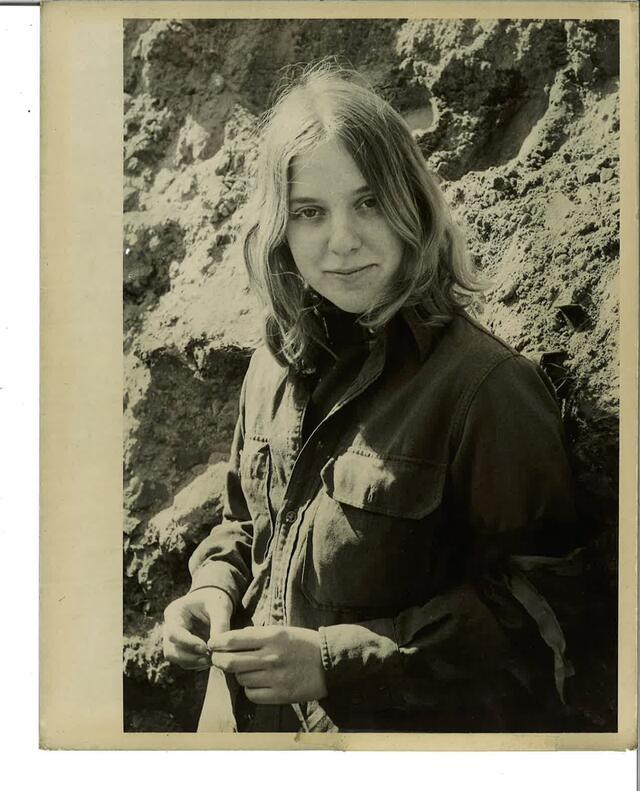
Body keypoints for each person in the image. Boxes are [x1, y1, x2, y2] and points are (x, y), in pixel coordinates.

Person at [162, 63, 578, 733]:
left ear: (411, 202)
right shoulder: (271, 364)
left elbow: (548, 613)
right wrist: (211, 588)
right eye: (310, 213)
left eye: (368, 202)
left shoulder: (485, 389)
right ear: (280, 231)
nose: (343, 241)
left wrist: (335, 660)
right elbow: (247, 524)